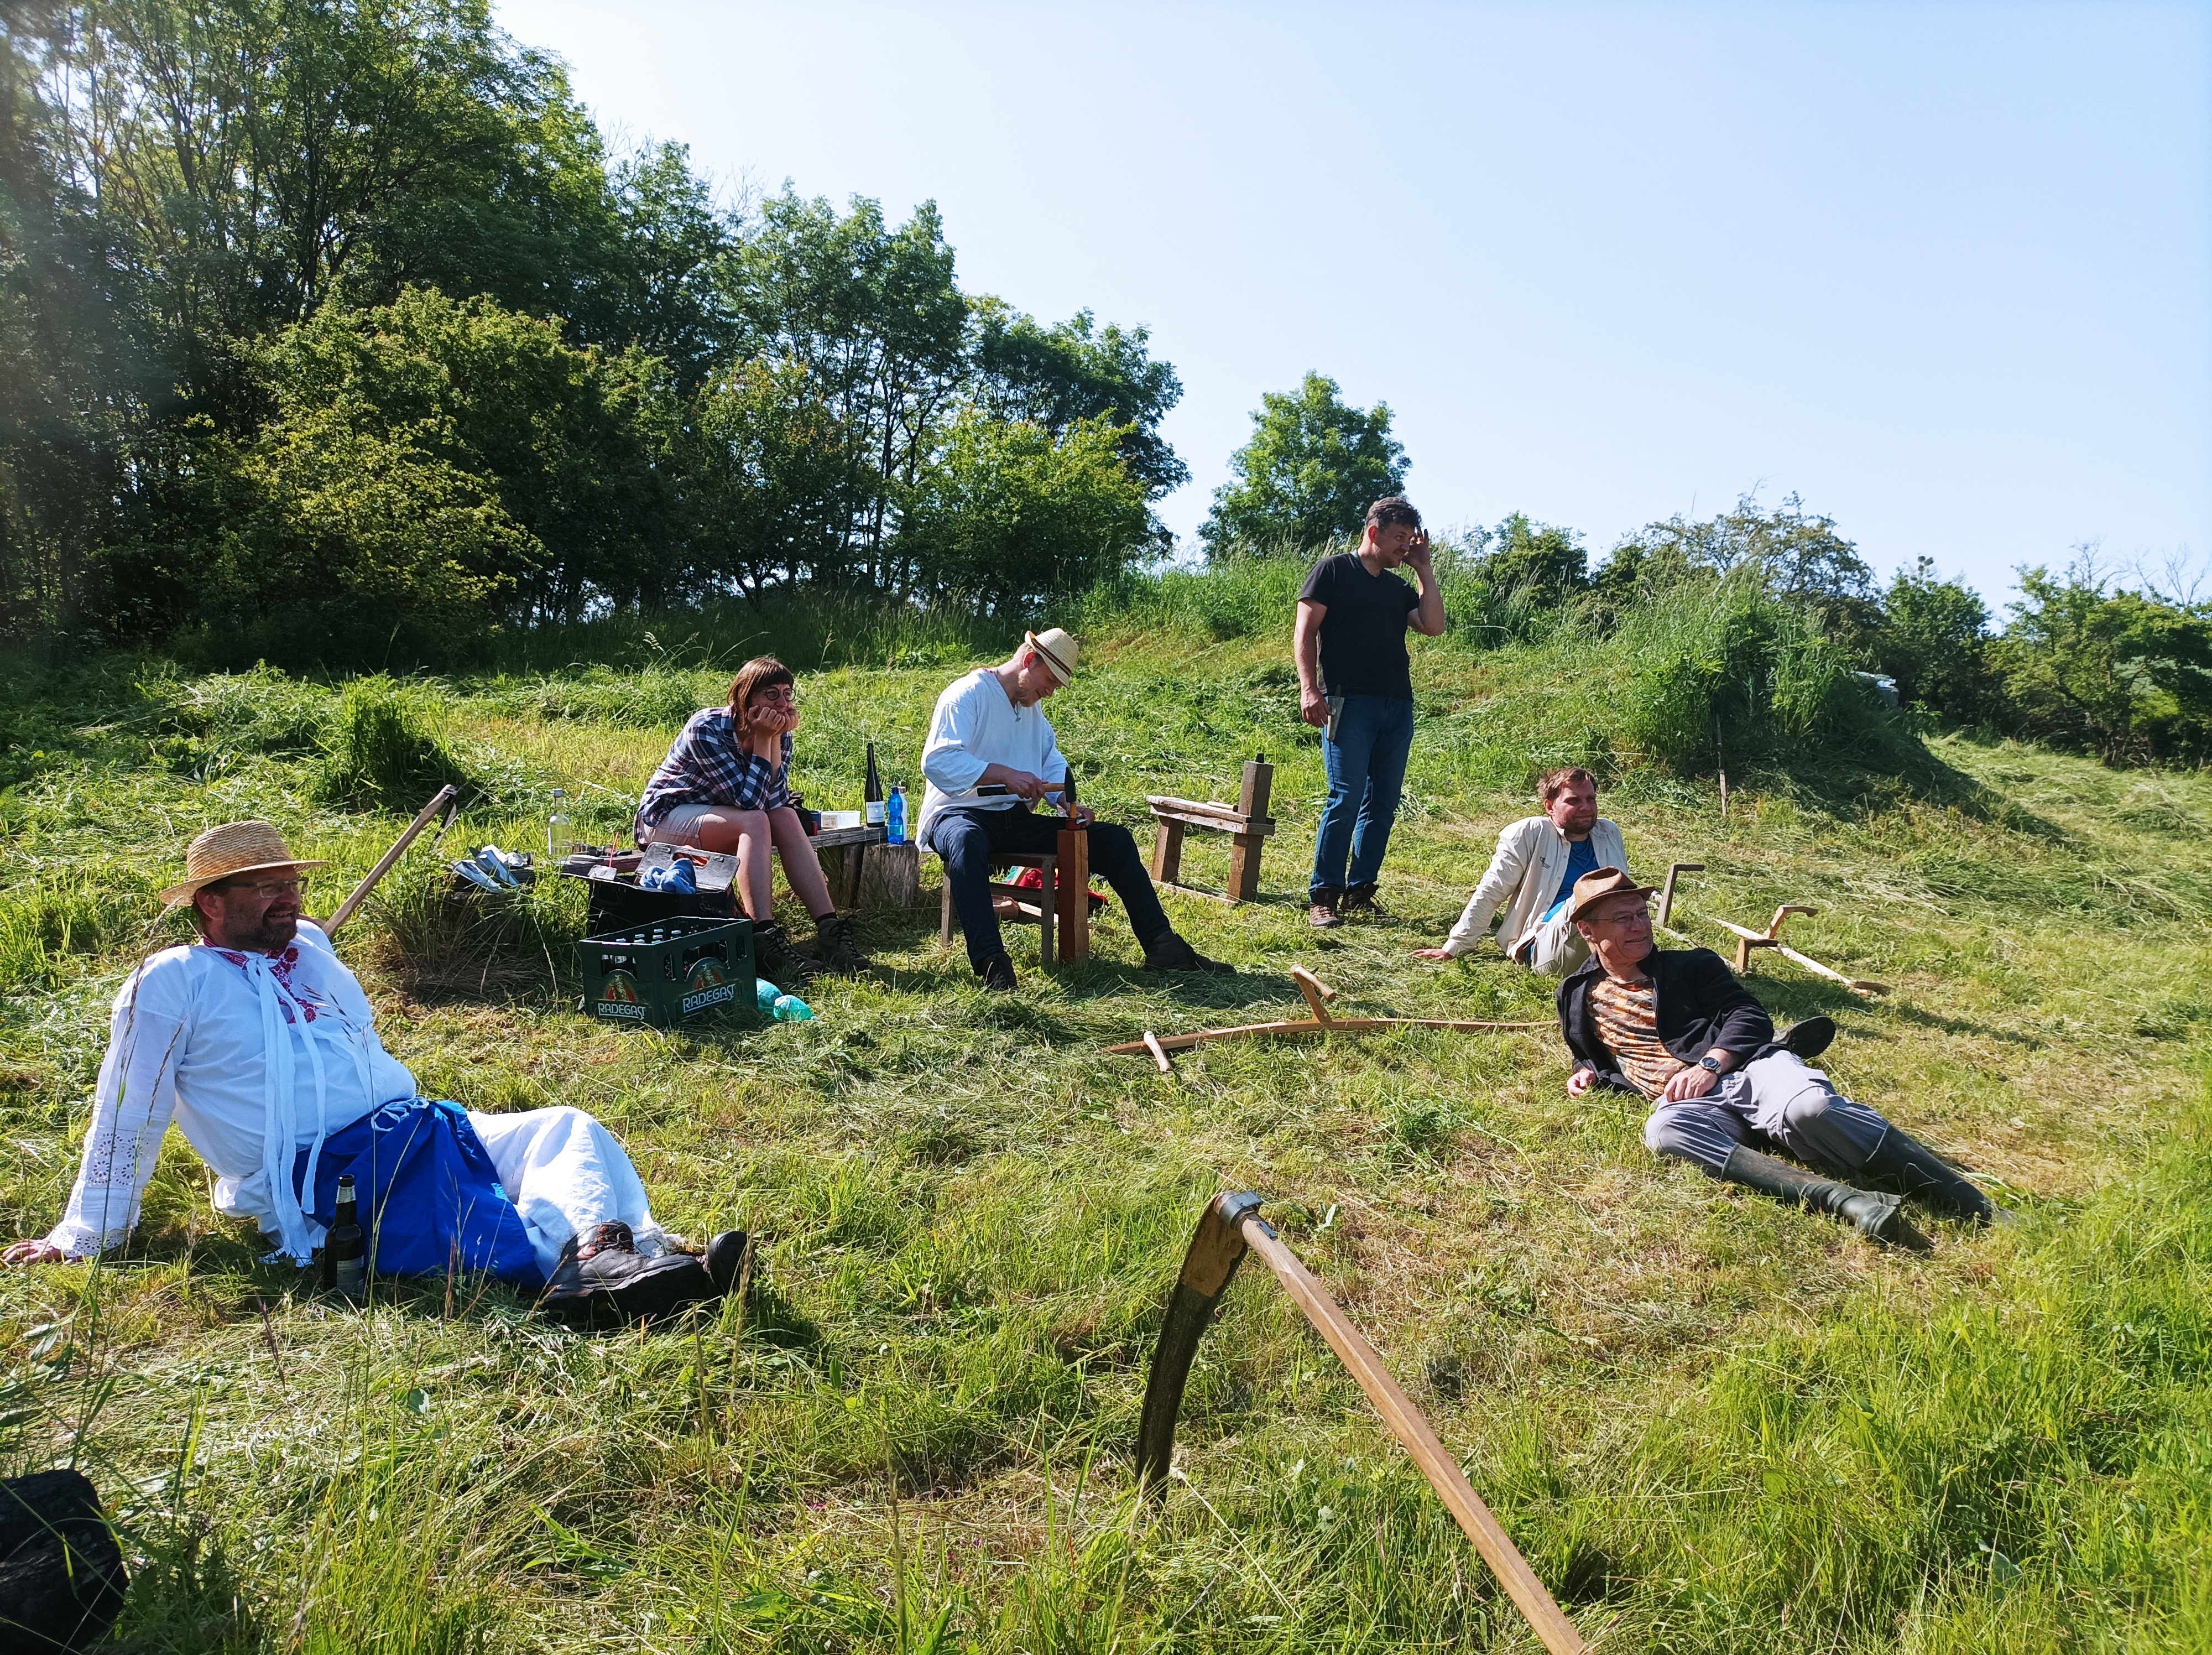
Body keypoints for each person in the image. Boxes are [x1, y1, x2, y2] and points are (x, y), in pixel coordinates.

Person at [1, 821, 743, 1321]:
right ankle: (602, 1268)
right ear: (209, 903)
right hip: (324, 1174)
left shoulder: (311, 954)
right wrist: (85, 1232)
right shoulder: (171, 982)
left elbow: (316, 958)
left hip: (415, 1126)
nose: (288, 896)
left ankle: (620, 1254)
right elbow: (128, 1108)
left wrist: (296, 935)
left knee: (566, 1129)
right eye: (264, 887)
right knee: (468, 1211)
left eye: (291, 882)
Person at [1557, 866, 1997, 1245]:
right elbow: (1589, 1050)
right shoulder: (1577, 992)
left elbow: (1748, 1013)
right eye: (1623, 919)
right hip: (1689, 1105)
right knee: (1665, 1132)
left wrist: (1711, 1063)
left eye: (1641, 914)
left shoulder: (1691, 966)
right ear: (1588, 930)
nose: (1639, 926)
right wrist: (1586, 1071)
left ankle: (1973, 1203)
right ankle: (1847, 1201)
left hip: (1745, 1070)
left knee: (1813, 1108)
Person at [919, 628, 1231, 991]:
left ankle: (1164, 947)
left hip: (1011, 819)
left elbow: (1051, 762)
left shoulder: (1031, 711)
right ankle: (993, 963)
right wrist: (1005, 775)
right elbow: (939, 760)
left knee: (1113, 840)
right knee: (967, 839)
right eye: (1049, 680)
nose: (1050, 691)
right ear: (1029, 661)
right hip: (957, 815)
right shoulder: (967, 694)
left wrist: (1066, 803)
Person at [635, 655, 868, 986]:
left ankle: (829, 929)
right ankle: (762, 937)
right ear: (745, 698)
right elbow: (749, 804)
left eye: (788, 694)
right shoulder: (708, 728)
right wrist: (765, 740)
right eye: (771, 694)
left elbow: (774, 801)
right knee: (756, 822)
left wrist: (773, 739)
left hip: (724, 817)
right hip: (666, 818)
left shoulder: (779, 733)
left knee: (786, 817)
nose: (783, 703)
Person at [1295, 496, 1447, 928]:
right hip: (1348, 703)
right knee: (1345, 798)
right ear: (1374, 531)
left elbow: (1433, 626)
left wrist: (1424, 568)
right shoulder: (1335, 571)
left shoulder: (1400, 588)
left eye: (1410, 539)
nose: (1405, 546)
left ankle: (1360, 891)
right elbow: (1305, 632)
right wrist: (1310, 689)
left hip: (1397, 707)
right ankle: (1323, 896)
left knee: (1382, 804)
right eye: (1399, 538)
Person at [1415, 767, 1626, 975]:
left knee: (1623, 899)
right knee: (1592, 895)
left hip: (1603, 939)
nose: (1586, 807)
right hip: (1544, 945)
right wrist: (1454, 947)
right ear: (1550, 807)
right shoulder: (1532, 833)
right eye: (1574, 801)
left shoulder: (1608, 833)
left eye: (1591, 799)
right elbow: (1491, 891)